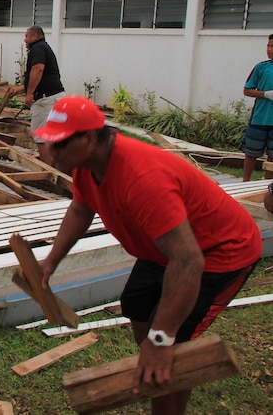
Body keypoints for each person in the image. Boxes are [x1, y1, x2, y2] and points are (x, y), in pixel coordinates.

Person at [34, 96, 260, 415]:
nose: (51, 154)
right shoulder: (87, 165)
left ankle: (166, 373)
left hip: (219, 252)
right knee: (137, 304)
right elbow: (80, 209)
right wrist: (51, 260)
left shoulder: (142, 178)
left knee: (174, 340)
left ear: (87, 140)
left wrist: (161, 339)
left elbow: (189, 262)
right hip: (168, 251)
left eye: (57, 145)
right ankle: (155, 363)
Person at [11, 25, 66, 166]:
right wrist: (20, 89)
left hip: (46, 100)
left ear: (34, 36)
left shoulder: (38, 48)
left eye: (26, 36)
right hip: (55, 97)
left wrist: (29, 94)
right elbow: (41, 77)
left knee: (41, 136)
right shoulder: (43, 47)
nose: (25, 40)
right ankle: (60, 169)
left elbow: (38, 70)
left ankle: (49, 173)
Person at [240, 33, 273, 181]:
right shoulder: (261, 68)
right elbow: (247, 90)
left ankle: (267, 188)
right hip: (259, 119)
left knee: (272, 158)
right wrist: (265, 94)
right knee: (251, 153)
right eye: (268, 46)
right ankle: (244, 182)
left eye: (272, 46)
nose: (269, 49)